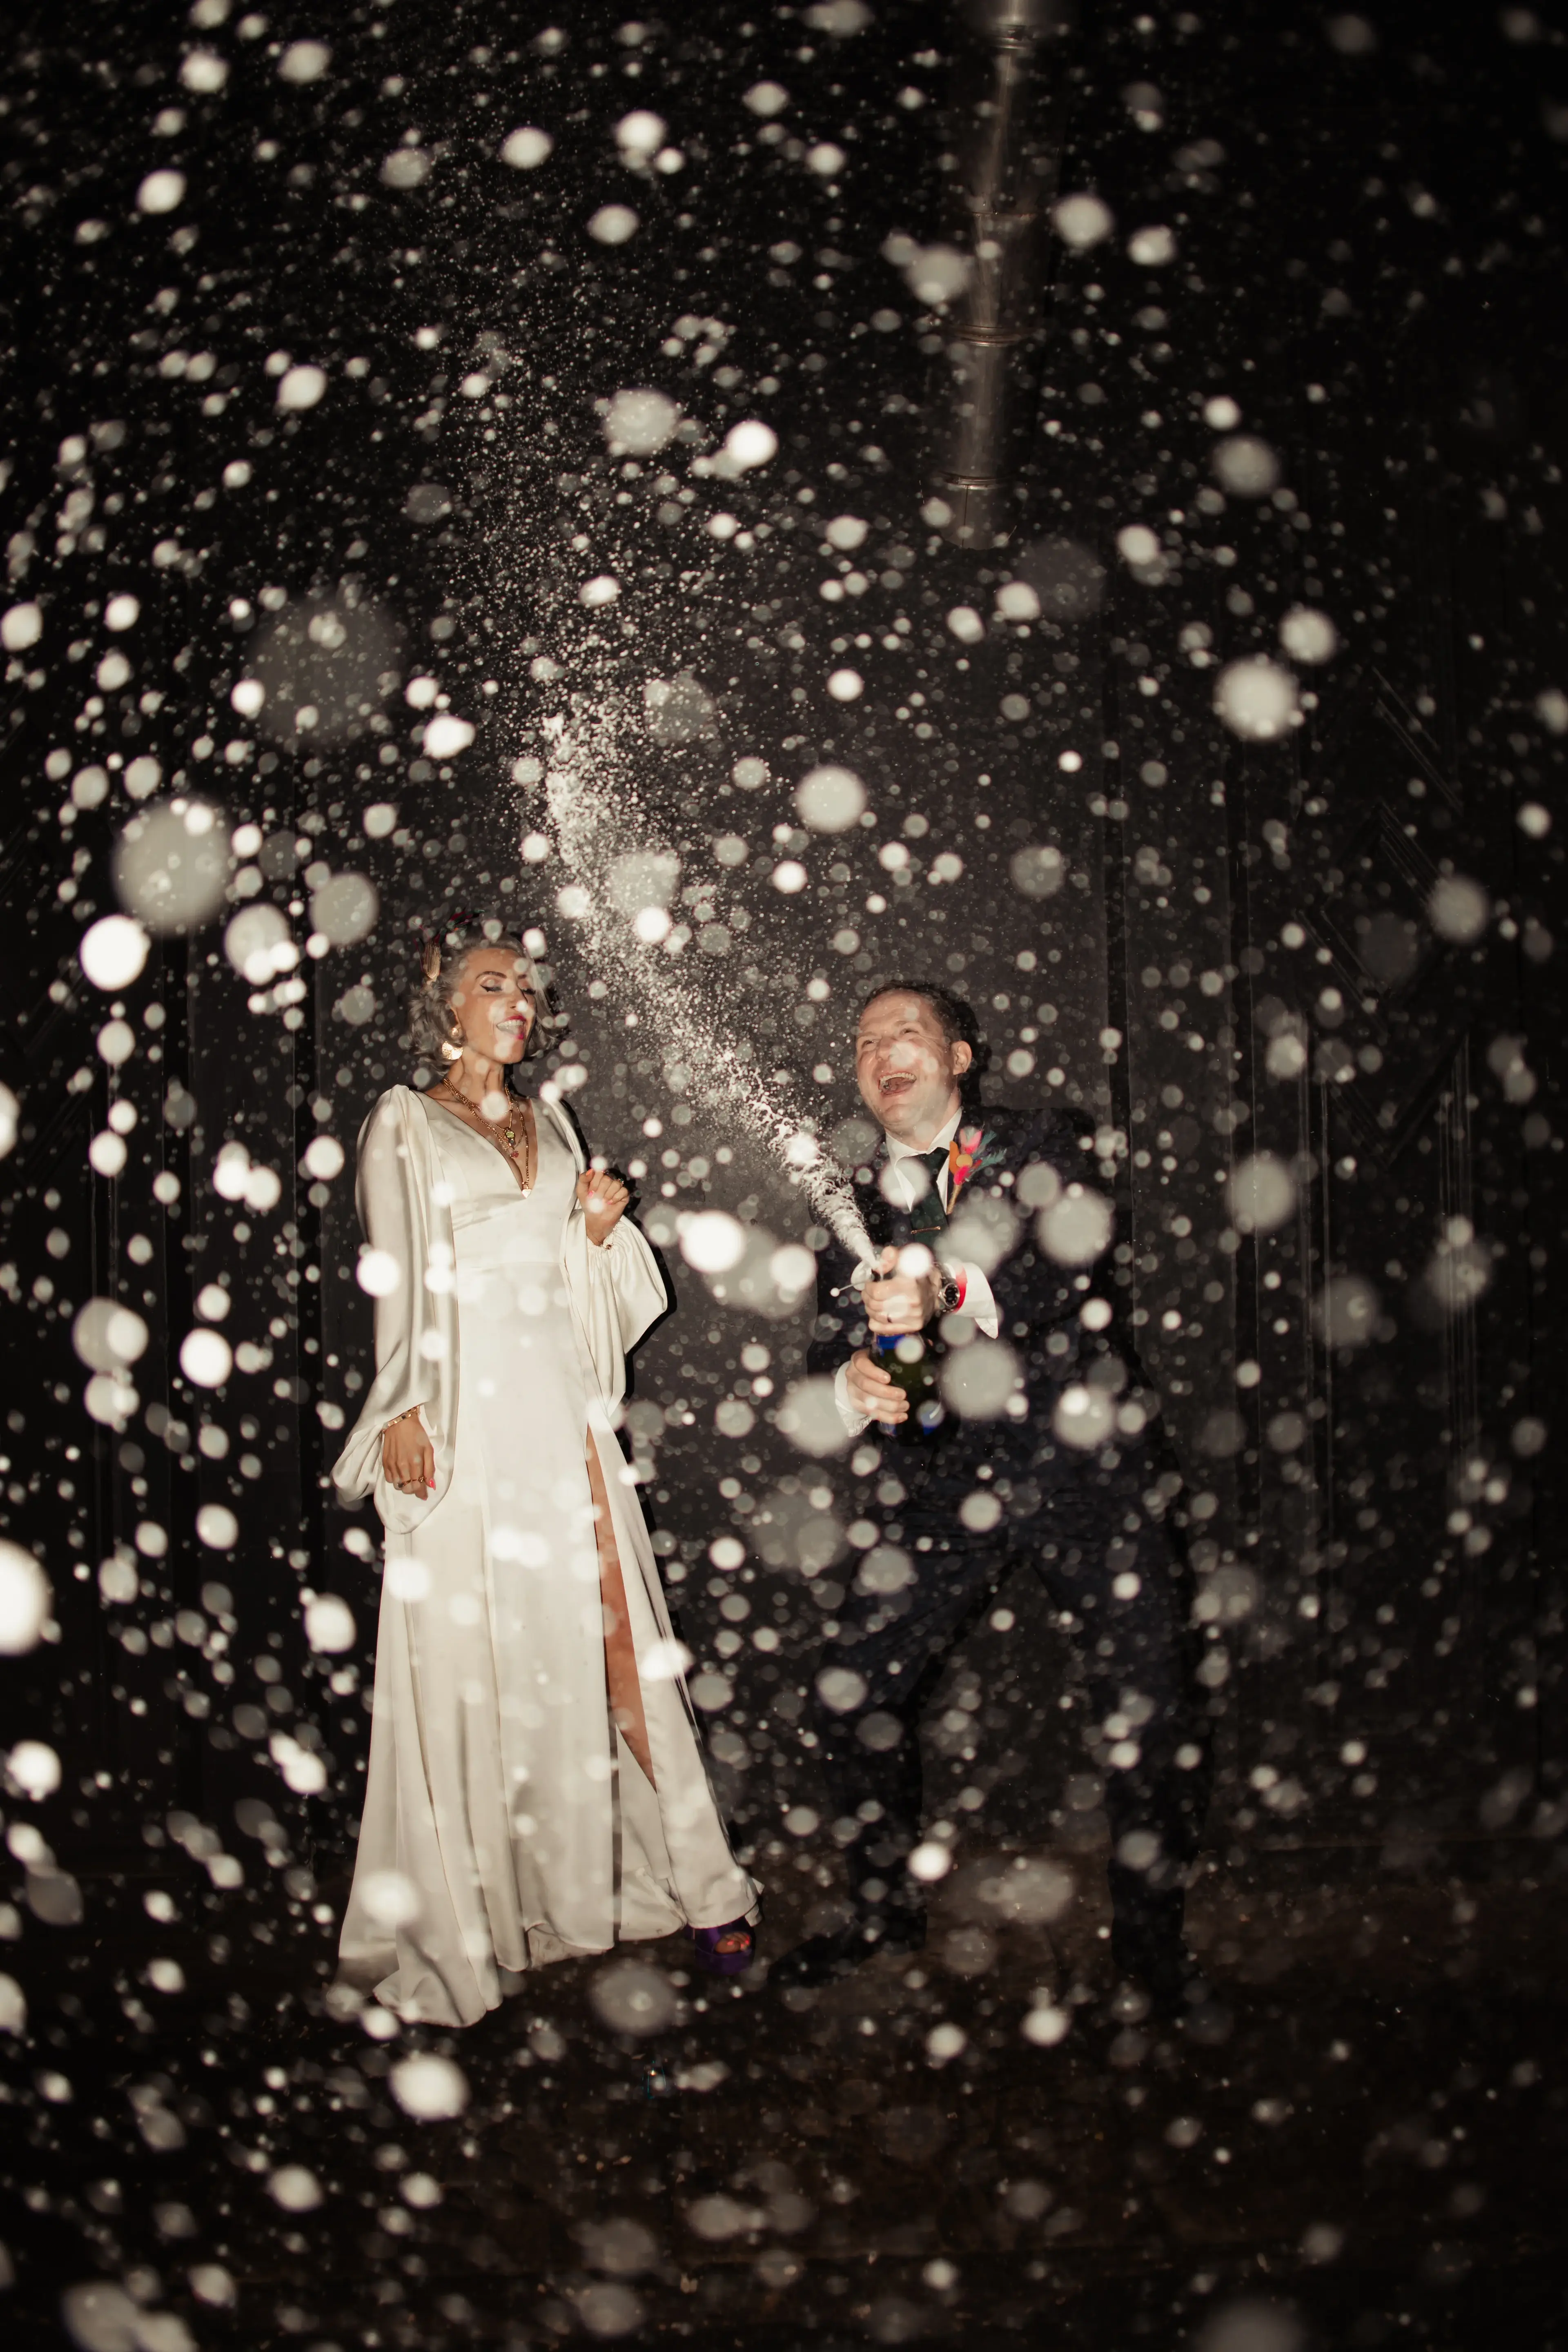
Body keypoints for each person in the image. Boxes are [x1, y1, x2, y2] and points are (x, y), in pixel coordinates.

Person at [331, 919, 757, 2026]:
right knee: (473, 1667)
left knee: (615, 1644)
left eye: (524, 988)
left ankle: (695, 1883)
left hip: (561, 1417)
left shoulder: (554, 1120)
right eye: (492, 986)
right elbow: (399, 1276)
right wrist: (405, 1410)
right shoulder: (405, 1120)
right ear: (447, 1005)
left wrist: (600, 1234)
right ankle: (482, 1911)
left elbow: (586, 1299)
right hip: (463, 1421)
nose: (516, 1002)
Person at [772, 984, 1209, 2011]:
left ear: (960, 1057)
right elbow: (828, 1347)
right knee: (850, 1693)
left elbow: (1064, 1266)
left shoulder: (1044, 1143)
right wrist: (853, 1386)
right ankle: (881, 1915)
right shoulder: (849, 1197)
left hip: (1084, 1471)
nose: (885, 1053)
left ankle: (1152, 1955)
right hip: (943, 1486)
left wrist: (948, 1286)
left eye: (908, 1034)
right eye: (866, 1042)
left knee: (1149, 1706)